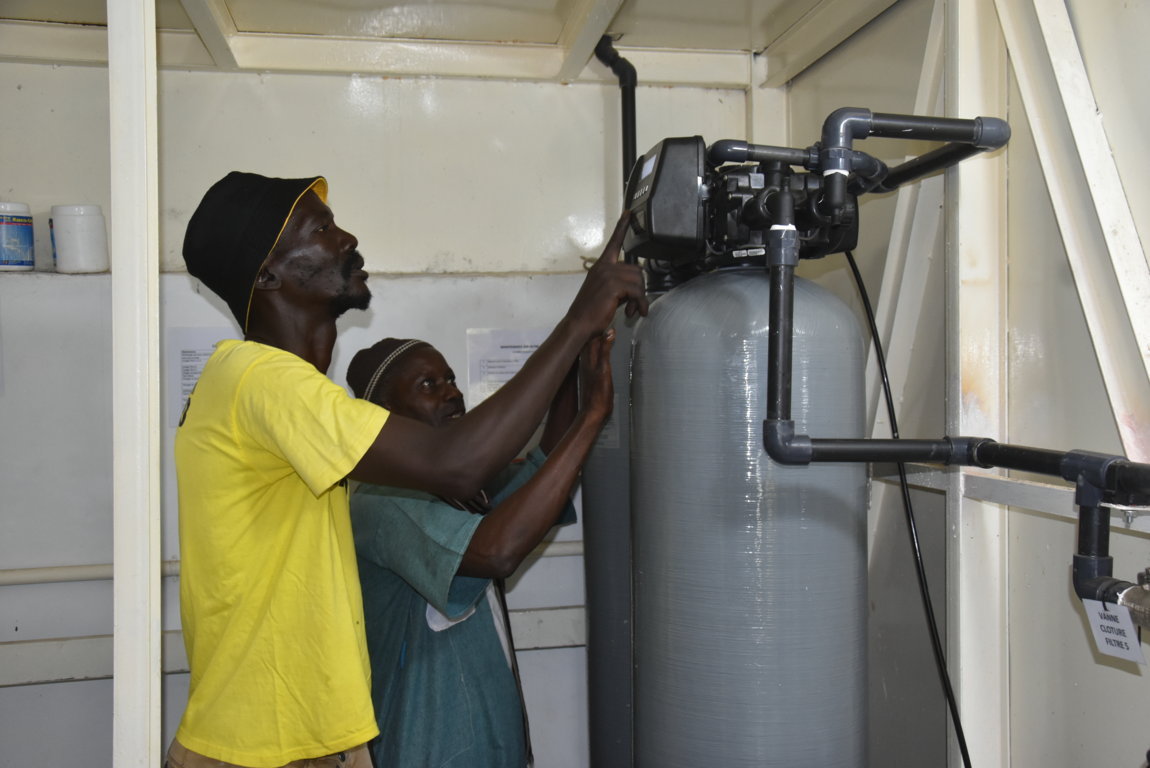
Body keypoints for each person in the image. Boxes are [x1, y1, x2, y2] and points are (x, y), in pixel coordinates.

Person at [169, 170, 645, 768]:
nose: (347, 238)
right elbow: (458, 463)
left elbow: (485, 465)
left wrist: (581, 350)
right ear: (266, 275)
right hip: (264, 746)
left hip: (313, 737)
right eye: (321, 229)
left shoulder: (268, 390)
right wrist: (576, 321)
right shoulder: (257, 376)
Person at [344, 330, 613, 768]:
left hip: (488, 743)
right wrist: (594, 414)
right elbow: (496, 551)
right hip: (428, 749)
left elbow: (546, 460)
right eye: (428, 385)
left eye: (450, 379)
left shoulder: (454, 489)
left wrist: (570, 367)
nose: (452, 392)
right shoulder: (385, 499)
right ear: (383, 415)